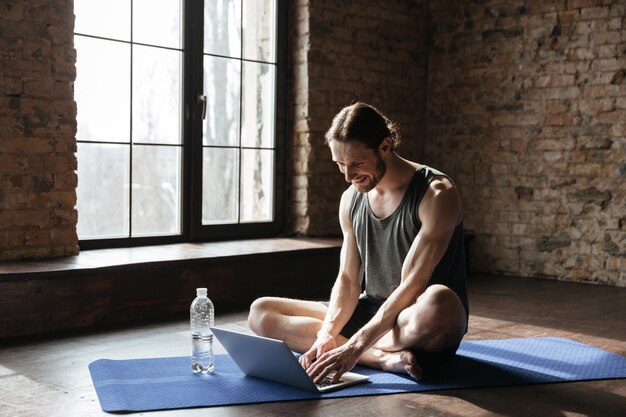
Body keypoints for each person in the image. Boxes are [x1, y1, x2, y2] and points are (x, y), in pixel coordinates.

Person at [248, 102, 469, 383]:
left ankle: (355, 347)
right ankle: (383, 359)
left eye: (357, 164)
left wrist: (353, 345)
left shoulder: (437, 194)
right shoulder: (351, 199)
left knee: (441, 301)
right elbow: (349, 279)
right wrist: (327, 332)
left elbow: (412, 287)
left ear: (385, 147)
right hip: (371, 313)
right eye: (340, 165)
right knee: (261, 312)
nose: (348, 176)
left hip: (416, 318)